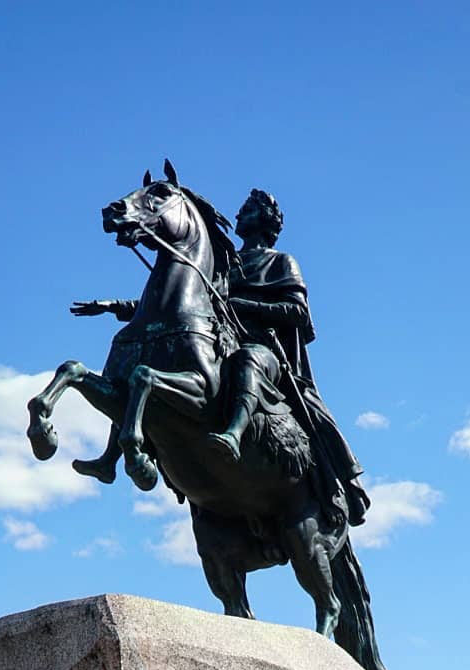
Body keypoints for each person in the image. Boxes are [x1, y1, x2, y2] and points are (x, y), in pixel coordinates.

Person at [70, 188, 371, 528]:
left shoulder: (280, 261)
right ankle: (112, 456)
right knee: (139, 356)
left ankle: (247, 436)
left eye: (249, 210)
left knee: (248, 362)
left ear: (267, 220)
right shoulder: (222, 266)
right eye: (242, 210)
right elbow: (180, 304)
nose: (240, 215)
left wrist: (241, 305)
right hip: (216, 344)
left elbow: (298, 312)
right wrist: (116, 307)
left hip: (262, 349)